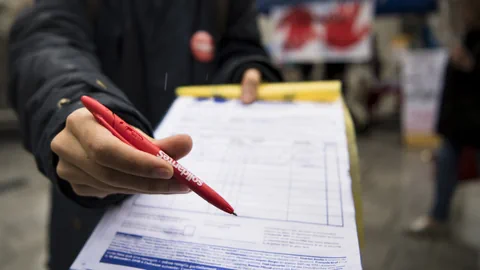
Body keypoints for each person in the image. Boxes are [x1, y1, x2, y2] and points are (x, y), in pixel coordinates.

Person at [7, 0, 283, 269]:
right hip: (90, 220)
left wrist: (247, 67)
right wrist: (68, 103)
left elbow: (239, 43)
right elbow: (47, 44)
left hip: (208, 205)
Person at [406, 0, 480, 236]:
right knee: (446, 165)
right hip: (458, 120)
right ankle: (438, 215)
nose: (465, 12)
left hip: (474, 117)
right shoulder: (467, 34)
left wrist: (471, 66)